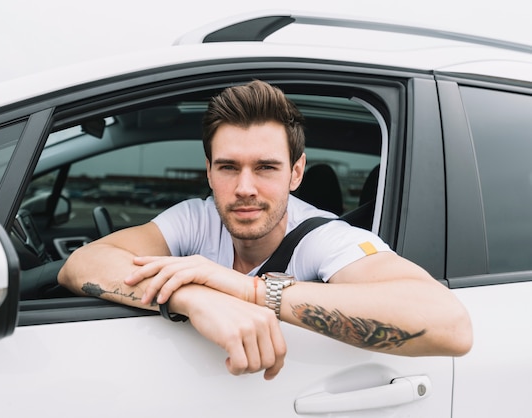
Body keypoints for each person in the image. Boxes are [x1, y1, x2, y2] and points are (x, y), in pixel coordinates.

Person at [58, 80, 473, 380]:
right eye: (228, 167)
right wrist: (195, 298)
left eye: (266, 167)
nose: (244, 188)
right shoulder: (196, 218)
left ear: (296, 172)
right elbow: (82, 263)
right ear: (209, 171)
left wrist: (249, 291)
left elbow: (450, 326)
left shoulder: (323, 238)